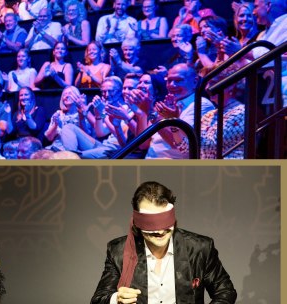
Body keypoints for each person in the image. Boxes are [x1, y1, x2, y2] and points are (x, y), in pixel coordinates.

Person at [90, 181, 237, 304]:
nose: (160, 231)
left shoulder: (200, 248)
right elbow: (98, 299)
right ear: (136, 222)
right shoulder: (119, 251)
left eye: (165, 222)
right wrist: (116, 299)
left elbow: (225, 292)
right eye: (151, 224)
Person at [144, 64, 214, 159]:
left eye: (178, 80)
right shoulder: (170, 103)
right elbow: (143, 144)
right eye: (169, 80)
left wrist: (150, 112)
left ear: (195, 82)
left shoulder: (201, 105)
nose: (172, 85)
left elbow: (181, 146)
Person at [44, 86, 94, 151]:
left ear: (77, 96)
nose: (67, 96)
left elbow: (86, 137)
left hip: (77, 149)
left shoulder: (84, 112)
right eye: (64, 94)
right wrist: (55, 125)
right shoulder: (58, 114)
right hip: (57, 148)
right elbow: (49, 138)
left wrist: (81, 115)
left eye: (70, 93)